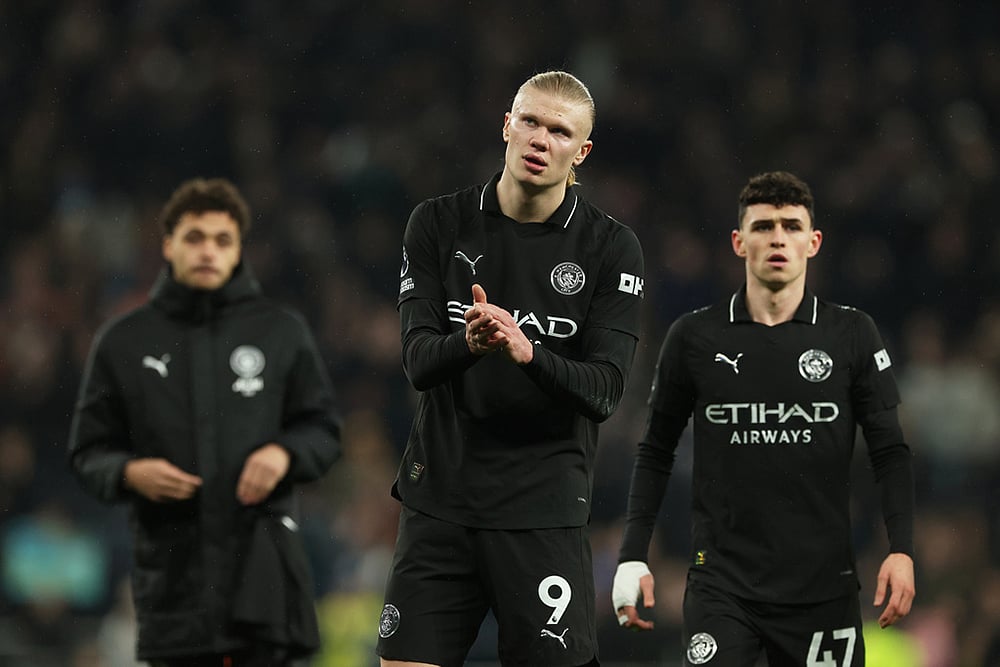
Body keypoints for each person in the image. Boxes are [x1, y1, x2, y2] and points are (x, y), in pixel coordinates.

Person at [377, 70, 645, 667]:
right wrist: (469, 344)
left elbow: (604, 391)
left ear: (582, 150)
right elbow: (418, 361)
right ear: (507, 125)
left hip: (541, 513)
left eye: (559, 130)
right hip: (441, 502)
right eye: (530, 121)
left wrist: (528, 353)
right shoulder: (437, 223)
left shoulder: (610, 247)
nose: (540, 139)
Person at [612, 171, 916, 666]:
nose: (778, 237)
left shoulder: (852, 333)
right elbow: (655, 450)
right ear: (739, 241)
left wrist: (901, 549)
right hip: (722, 586)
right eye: (764, 225)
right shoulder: (694, 336)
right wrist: (631, 554)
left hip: (822, 588)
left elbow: (890, 450)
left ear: (813, 242)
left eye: (792, 226)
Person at [68, 177, 341, 667]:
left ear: (239, 249)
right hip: (174, 585)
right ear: (168, 244)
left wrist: (284, 452)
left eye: (222, 240)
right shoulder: (124, 341)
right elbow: (88, 452)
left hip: (263, 584)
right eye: (194, 237)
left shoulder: (280, 332)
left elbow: (323, 431)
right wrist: (129, 473)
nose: (208, 251)